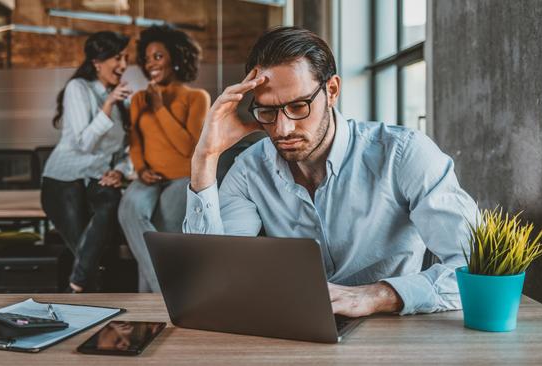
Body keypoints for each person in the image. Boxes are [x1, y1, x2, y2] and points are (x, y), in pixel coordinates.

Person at [183, 26, 479, 317]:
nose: (282, 129)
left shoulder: (403, 154)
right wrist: (205, 156)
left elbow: (479, 269)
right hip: (295, 332)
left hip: (389, 333)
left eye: (299, 106)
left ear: (332, 90)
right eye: (268, 111)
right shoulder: (249, 170)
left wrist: (377, 296)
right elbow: (213, 281)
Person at [118, 26, 210, 292]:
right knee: (129, 210)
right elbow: (135, 141)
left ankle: (149, 307)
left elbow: (188, 148)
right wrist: (141, 168)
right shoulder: (138, 99)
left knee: (161, 226)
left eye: (158, 56)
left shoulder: (196, 98)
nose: (151, 64)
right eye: (147, 59)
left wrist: (159, 108)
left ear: (177, 58)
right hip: (148, 177)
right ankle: (166, 293)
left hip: (182, 177)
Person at [41, 31, 132, 293]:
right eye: (117, 58)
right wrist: (107, 105)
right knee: (89, 253)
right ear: (97, 61)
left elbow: (125, 150)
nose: (123, 65)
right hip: (63, 180)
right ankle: (87, 295)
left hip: (96, 177)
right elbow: (84, 144)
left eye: (125, 58)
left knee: (110, 201)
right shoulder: (78, 88)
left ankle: (77, 286)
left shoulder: (118, 98)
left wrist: (119, 170)